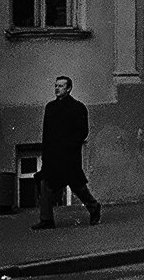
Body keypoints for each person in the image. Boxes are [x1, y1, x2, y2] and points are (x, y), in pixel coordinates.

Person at [32, 76, 101, 229]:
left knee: (77, 186)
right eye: (56, 86)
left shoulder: (78, 108)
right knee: (46, 184)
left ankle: (94, 206)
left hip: (69, 156)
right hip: (52, 156)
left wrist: (68, 146)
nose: (57, 89)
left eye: (61, 86)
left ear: (69, 89)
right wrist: (46, 153)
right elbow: (47, 133)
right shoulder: (50, 107)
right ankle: (47, 219)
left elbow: (82, 132)